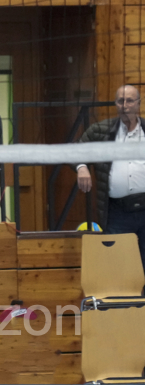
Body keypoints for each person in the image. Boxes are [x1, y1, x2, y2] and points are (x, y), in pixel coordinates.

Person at [77, 84, 145, 268]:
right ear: (115, 104)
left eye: (130, 100)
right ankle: (123, 298)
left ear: (138, 104)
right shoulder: (101, 130)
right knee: (119, 265)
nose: (125, 105)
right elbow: (76, 150)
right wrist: (82, 167)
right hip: (117, 212)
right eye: (120, 101)